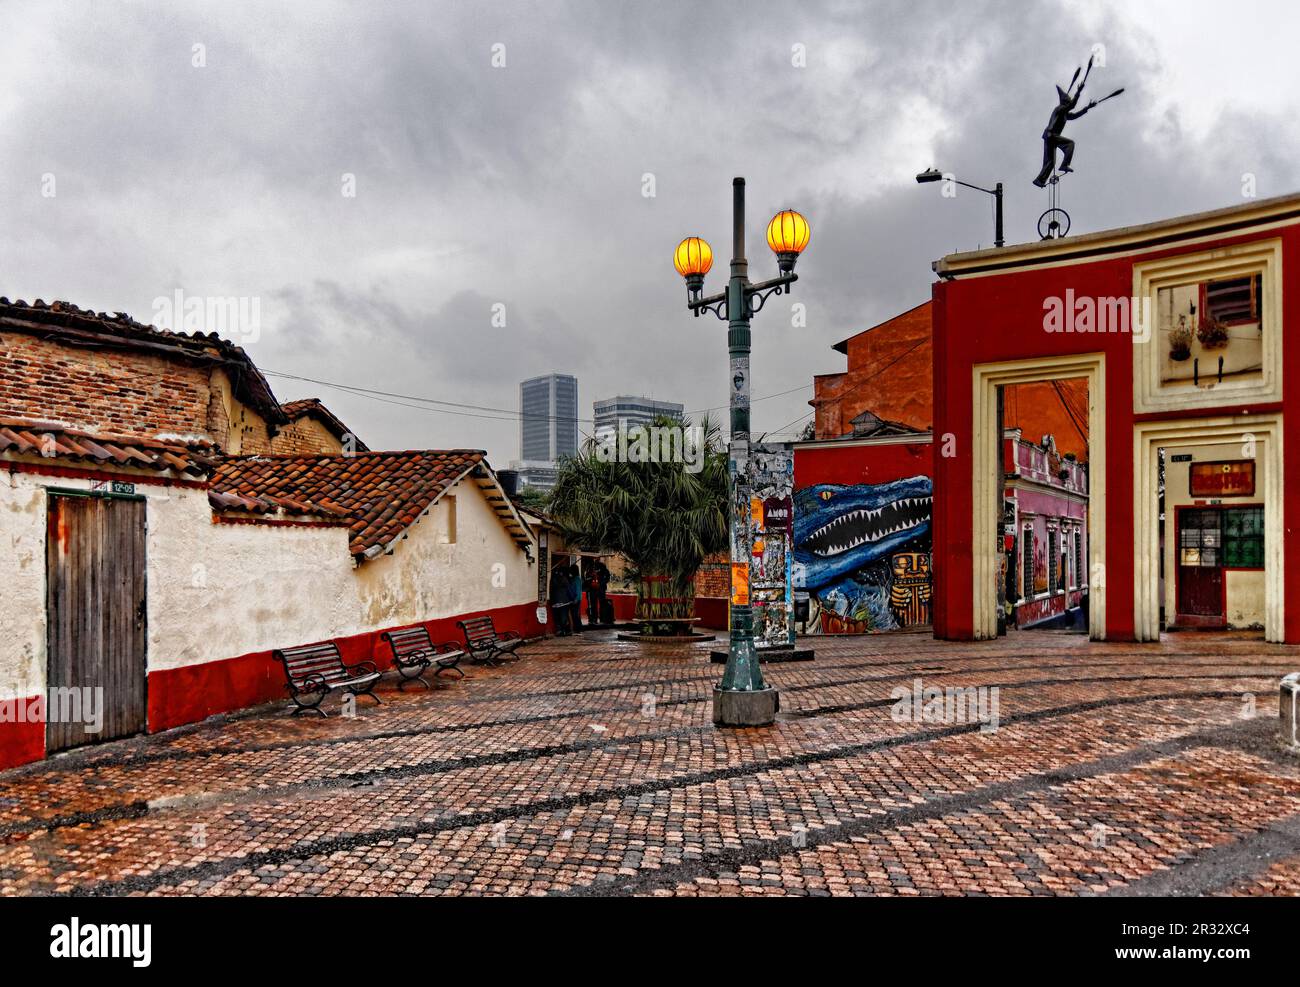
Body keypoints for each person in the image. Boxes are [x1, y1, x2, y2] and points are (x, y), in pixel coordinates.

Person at [548, 560, 574, 636]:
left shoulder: (552, 579)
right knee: (563, 616)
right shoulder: (564, 579)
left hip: (555, 602)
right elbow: (569, 590)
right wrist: (572, 598)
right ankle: (564, 630)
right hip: (564, 602)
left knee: (557, 617)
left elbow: (551, 590)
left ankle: (559, 630)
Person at [585, 559, 610, 627]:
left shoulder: (602, 567)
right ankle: (594, 619)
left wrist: (600, 584)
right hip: (592, 590)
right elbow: (586, 578)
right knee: (593, 605)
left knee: (602, 604)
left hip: (600, 589)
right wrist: (591, 582)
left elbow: (607, 578)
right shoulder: (589, 568)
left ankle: (602, 619)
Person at [567, 564, 584, 634]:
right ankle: (578, 628)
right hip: (575, 598)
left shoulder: (577, 579)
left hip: (576, 599)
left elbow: (577, 590)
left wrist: (576, 599)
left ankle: (578, 629)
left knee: (575, 615)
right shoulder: (574, 578)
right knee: (576, 614)